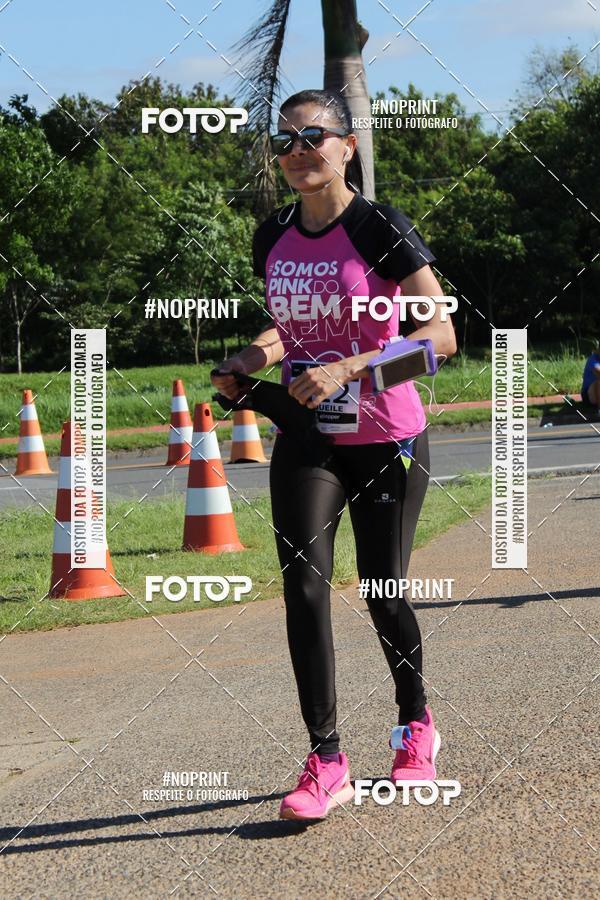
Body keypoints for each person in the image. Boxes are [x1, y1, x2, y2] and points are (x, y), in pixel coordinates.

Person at [211, 89, 457, 821]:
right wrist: (247, 359)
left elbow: (440, 340)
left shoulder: (379, 227)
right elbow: (290, 328)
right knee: (305, 591)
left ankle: (416, 728)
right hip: (309, 437)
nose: (297, 153)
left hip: (387, 438)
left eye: (312, 137)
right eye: (283, 142)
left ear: (348, 146)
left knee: (382, 592)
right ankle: (326, 760)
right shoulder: (272, 236)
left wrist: (351, 369)